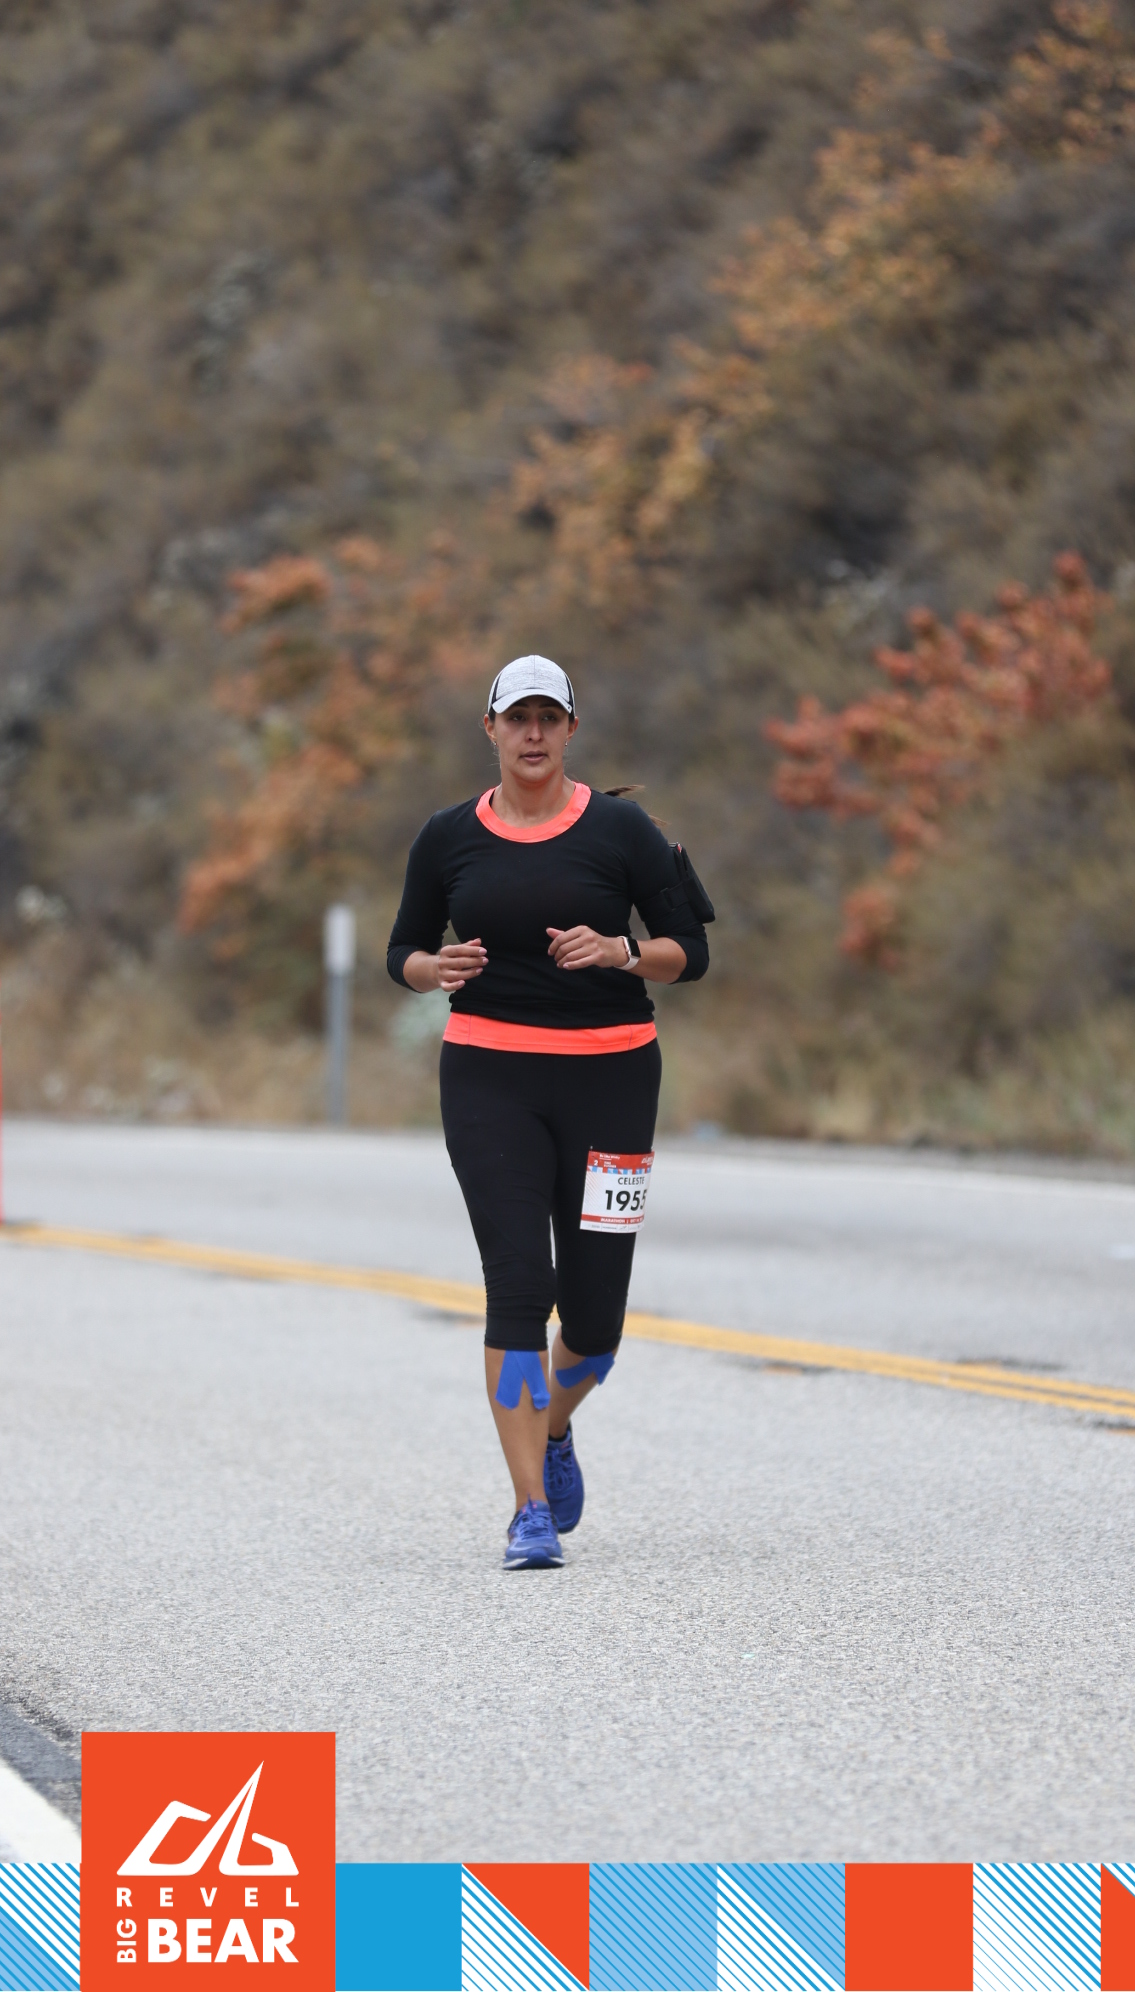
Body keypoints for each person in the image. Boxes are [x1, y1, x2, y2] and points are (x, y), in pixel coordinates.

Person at [387, 654, 711, 1568]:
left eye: (548, 718)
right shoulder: (447, 837)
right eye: (516, 718)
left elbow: (690, 951)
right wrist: (433, 971)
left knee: (596, 1324)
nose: (532, 734)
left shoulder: (622, 830)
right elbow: (403, 950)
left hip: (613, 1081)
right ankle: (529, 1509)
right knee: (520, 1286)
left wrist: (620, 952)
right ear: (489, 728)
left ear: (571, 729)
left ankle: (554, 1427)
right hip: (489, 1079)